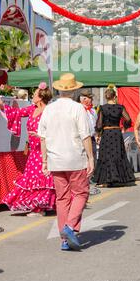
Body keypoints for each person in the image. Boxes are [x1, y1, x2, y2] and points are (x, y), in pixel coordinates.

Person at [38, 73, 94, 252]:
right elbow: (85, 135)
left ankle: (64, 239)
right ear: (74, 89)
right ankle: (69, 227)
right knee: (81, 194)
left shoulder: (49, 109)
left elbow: (42, 137)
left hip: (56, 159)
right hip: (75, 158)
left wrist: (44, 160)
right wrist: (90, 158)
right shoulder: (77, 108)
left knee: (62, 199)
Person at [0, 83, 56, 215]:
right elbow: (16, 113)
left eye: (34, 94)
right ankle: (38, 205)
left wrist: (41, 135)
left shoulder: (49, 111)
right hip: (33, 150)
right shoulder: (31, 109)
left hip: (45, 149)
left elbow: (55, 130)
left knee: (43, 178)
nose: (33, 96)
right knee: (32, 178)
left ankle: (41, 207)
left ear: (40, 97)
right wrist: (3, 106)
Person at [94, 86, 135, 188]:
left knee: (106, 155)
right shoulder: (120, 107)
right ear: (114, 97)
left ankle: (106, 180)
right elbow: (128, 119)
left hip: (107, 133)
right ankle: (120, 178)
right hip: (116, 133)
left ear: (106, 97)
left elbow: (99, 124)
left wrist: (98, 133)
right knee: (118, 154)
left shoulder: (102, 108)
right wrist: (124, 127)